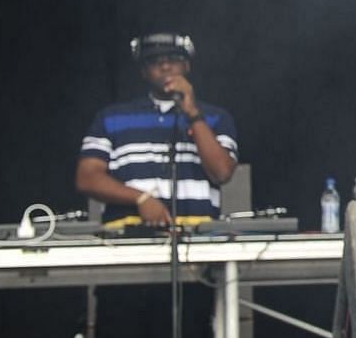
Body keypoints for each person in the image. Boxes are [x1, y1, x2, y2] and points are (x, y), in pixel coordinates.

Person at [76, 32, 239, 226]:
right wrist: (141, 199)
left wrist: (193, 113)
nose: (165, 66)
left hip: (197, 239)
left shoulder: (215, 118)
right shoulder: (111, 118)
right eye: (154, 61)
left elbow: (222, 173)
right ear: (143, 71)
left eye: (174, 59)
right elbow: (87, 178)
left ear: (187, 66)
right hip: (126, 242)